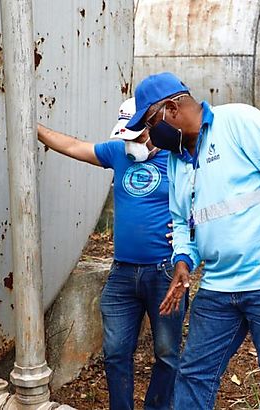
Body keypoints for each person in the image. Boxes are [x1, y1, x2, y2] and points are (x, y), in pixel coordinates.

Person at [124, 72, 260, 410]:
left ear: (172, 108)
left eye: (151, 124)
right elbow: (183, 223)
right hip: (219, 286)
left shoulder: (239, 121)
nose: (150, 137)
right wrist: (183, 262)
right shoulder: (177, 159)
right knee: (194, 374)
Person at [37, 98, 186, 410]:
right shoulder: (118, 153)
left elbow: (207, 197)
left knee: (167, 353)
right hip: (122, 274)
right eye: (126, 137)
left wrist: (193, 230)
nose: (131, 144)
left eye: (138, 136)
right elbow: (73, 146)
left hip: (164, 272)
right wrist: (33, 127)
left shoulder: (178, 160)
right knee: (116, 351)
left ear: (153, 128)